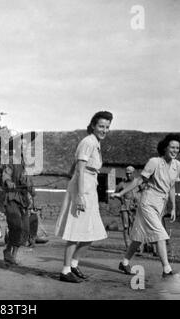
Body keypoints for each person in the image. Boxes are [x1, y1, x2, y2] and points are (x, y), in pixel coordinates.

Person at [55, 111, 113, 283]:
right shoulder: (88, 142)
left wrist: (70, 174)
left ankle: (73, 264)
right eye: (101, 126)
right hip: (83, 189)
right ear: (93, 125)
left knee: (91, 233)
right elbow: (80, 169)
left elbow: (77, 166)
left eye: (107, 127)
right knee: (76, 232)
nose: (104, 130)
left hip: (90, 186)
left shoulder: (95, 143)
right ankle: (65, 271)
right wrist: (79, 195)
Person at [112, 134, 180, 278]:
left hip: (160, 206)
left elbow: (172, 187)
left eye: (178, 148)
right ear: (165, 148)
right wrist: (121, 193)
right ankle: (166, 270)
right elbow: (139, 180)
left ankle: (124, 262)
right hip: (147, 203)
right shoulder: (154, 162)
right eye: (172, 147)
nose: (175, 150)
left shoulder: (177, 165)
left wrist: (173, 207)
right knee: (160, 234)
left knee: (139, 236)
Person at [2, 143, 35, 265]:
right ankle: (7, 251)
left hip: (24, 200)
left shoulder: (29, 166)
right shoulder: (12, 161)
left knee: (25, 229)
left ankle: (13, 255)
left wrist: (32, 190)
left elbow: (30, 182)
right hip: (12, 197)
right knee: (16, 226)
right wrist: (8, 181)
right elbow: (6, 173)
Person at [115, 166, 140, 250]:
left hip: (135, 207)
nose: (128, 175)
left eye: (130, 173)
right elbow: (116, 193)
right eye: (127, 173)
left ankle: (136, 245)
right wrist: (121, 198)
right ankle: (128, 245)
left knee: (135, 226)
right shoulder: (122, 184)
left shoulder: (138, 182)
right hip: (124, 207)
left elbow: (143, 191)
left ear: (134, 173)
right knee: (126, 226)